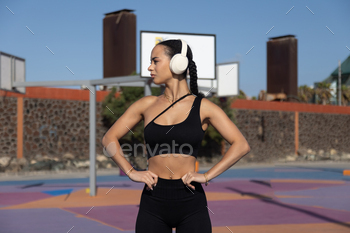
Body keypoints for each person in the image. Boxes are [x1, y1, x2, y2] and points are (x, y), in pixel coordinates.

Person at [101, 39, 250, 233]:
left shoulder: (204, 107)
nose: (149, 67)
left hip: (191, 202)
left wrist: (206, 176)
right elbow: (108, 139)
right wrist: (131, 172)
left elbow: (241, 145)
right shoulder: (146, 104)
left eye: (155, 61)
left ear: (177, 63)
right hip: (152, 201)